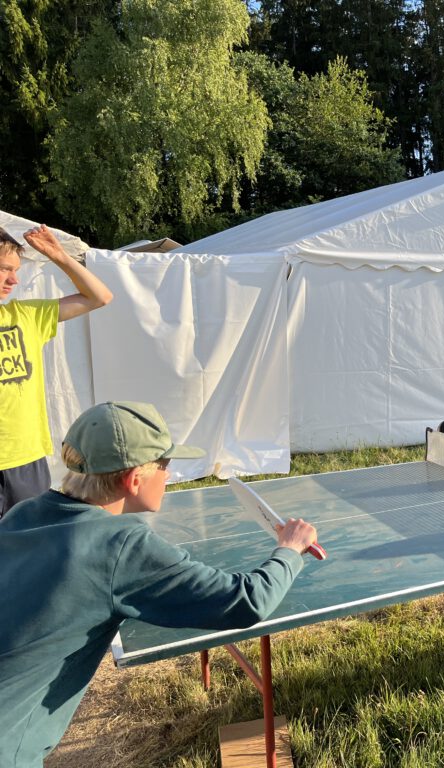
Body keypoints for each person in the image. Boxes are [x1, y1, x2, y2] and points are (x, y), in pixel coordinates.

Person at [0, 401, 319, 766]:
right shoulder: (120, 546)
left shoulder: (23, 513)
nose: (168, 475)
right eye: (165, 465)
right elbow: (247, 600)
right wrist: (290, 549)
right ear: (134, 479)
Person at [0, 224, 113, 516]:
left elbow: (99, 297)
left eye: (16, 270)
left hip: (24, 460)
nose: (14, 279)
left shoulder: (26, 316)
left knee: (30, 540)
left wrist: (59, 256)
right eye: (4, 269)